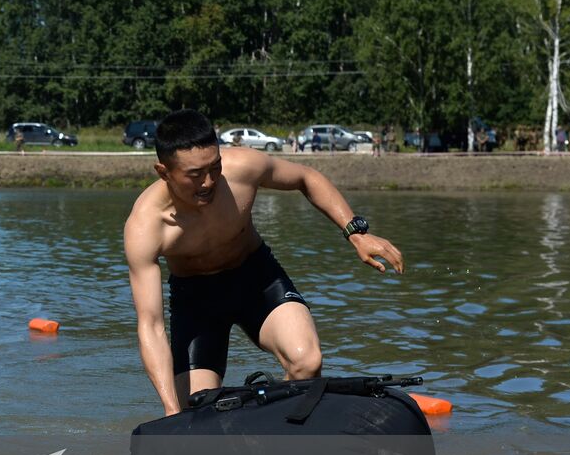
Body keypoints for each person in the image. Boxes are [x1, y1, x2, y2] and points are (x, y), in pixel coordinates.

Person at [123, 110, 404, 416]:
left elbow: (306, 177)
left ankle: (282, 429)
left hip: (255, 277)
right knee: (196, 408)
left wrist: (355, 232)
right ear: (163, 172)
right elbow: (150, 326)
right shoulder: (145, 226)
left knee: (306, 362)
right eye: (194, 174)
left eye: (214, 167)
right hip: (196, 302)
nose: (209, 181)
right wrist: (170, 410)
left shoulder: (242, 168)